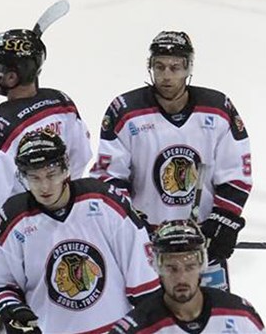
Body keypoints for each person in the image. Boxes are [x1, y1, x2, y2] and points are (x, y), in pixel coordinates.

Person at [89, 31, 252, 291]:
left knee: (208, 319)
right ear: (149, 67)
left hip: (201, 241)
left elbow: (236, 175)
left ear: (188, 67)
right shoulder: (125, 111)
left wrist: (223, 221)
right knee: (148, 323)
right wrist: (132, 223)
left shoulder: (218, 109)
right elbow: (109, 178)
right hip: (144, 244)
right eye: (159, 66)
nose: (166, 75)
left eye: (175, 67)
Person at [0, 129, 160, 334]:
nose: (44, 186)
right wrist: (11, 306)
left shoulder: (103, 201)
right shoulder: (12, 217)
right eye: (34, 178)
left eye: (51, 174)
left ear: (65, 169)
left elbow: (143, 276)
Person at [0, 27, 93, 251]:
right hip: (66, 220)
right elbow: (81, 157)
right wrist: (57, 197)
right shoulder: (61, 102)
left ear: (11, 77)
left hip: (20, 233)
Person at [109, 219, 266, 333]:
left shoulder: (241, 315)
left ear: (201, 265)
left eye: (189, 267)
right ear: (157, 267)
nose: (181, 278)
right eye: (171, 268)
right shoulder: (136, 328)